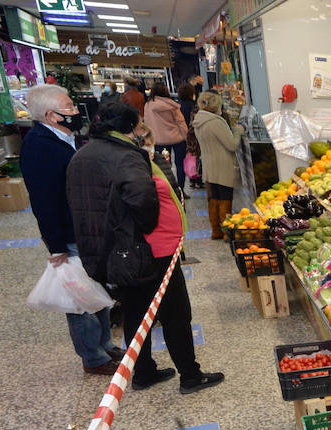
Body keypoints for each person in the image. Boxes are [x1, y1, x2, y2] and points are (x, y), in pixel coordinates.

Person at [66, 102, 224, 394]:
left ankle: (143, 371)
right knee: (176, 313)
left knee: (137, 312)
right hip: (148, 249)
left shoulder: (82, 155)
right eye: (138, 126)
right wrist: (149, 226)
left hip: (112, 251)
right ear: (127, 129)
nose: (141, 132)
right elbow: (141, 201)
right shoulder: (126, 156)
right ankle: (190, 374)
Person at [20, 83, 121, 375]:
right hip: (68, 232)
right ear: (51, 115)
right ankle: (93, 357)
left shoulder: (65, 137)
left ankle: (105, 342)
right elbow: (44, 199)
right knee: (79, 297)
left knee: (96, 288)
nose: (77, 112)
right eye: (70, 108)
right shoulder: (39, 146)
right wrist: (56, 245)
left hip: (87, 228)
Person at [192, 90, 240, 239]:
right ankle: (227, 232)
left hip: (208, 165)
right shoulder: (216, 122)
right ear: (215, 105)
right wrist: (238, 131)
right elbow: (232, 145)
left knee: (213, 198)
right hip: (223, 165)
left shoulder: (199, 120)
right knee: (226, 198)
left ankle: (216, 230)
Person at [143, 82, 188, 184]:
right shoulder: (173, 106)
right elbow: (181, 123)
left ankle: (168, 188)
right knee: (180, 164)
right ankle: (181, 188)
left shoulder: (148, 106)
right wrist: (186, 137)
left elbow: (147, 123)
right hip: (177, 139)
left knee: (164, 166)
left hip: (159, 140)